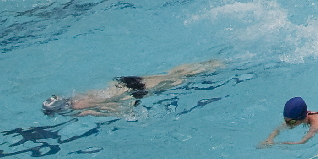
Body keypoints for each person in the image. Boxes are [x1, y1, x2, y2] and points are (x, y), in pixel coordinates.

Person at [44, 61, 223, 118]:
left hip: (129, 91)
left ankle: (219, 65)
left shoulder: (80, 109)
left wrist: (128, 113)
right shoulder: (76, 97)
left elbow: (110, 109)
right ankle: (212, 63)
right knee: (172, 74)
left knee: (177, 80)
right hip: (120, 83)